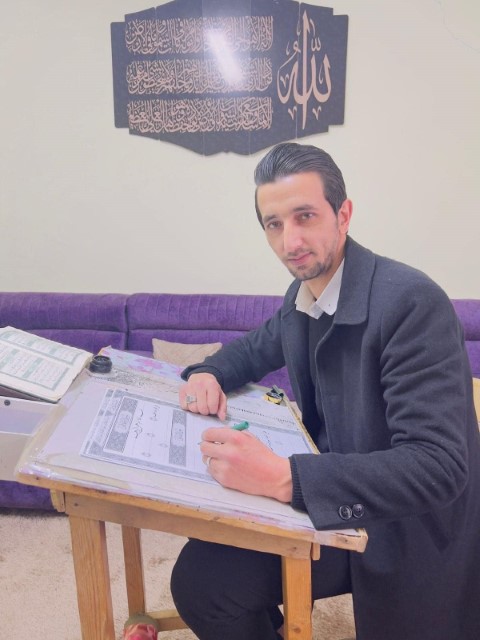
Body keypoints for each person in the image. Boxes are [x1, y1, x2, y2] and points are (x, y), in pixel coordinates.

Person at [170, 142, 480, 640]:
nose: (290, 241)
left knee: (205, 583)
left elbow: (438, 466)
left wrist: (284, 478)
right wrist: (207, 372)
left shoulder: (410, 303)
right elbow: (253, 349)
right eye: (274, 224)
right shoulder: (304, 297)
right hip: (334, 488)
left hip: (399, 524)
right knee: (205, 571)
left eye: (305, 216)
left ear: (343, 214)